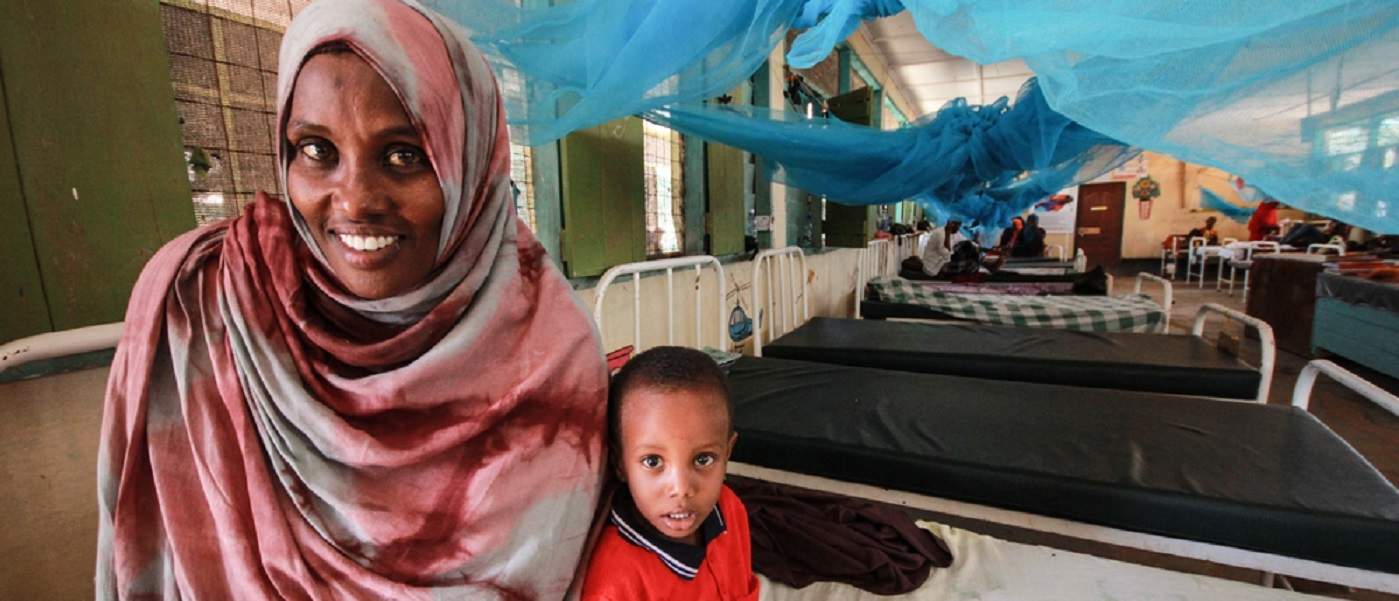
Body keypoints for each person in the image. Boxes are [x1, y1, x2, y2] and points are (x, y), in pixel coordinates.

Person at [96, 1, 607, 597]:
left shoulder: (551, 353)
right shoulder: (201, 305)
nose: (356, 199)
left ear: (471, 163)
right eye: (317, 150)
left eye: (404, 155)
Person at [582, 347, 759, 601]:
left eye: (703, 459)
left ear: (727, 453)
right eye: (652, 461)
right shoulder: (616, 581)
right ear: (619, 463)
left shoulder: (730, 509)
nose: (681, 489)